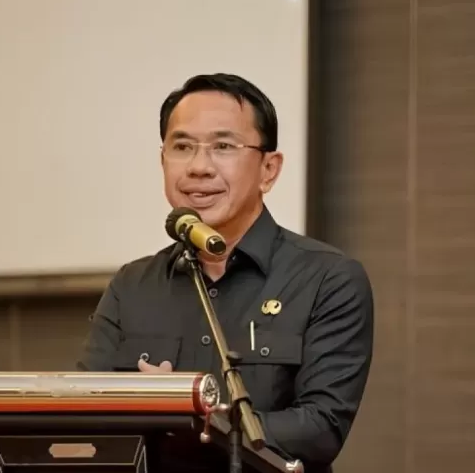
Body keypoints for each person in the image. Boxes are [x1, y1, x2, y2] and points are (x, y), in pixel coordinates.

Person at [77, 73, 374, 473]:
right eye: (182, 146)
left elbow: (320, 429)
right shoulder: (131, 286)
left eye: (223, 146)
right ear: (162, 161)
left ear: (269, 169)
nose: (199, 167)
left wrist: (197, 419)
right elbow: (85, 413)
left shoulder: (328, 279)